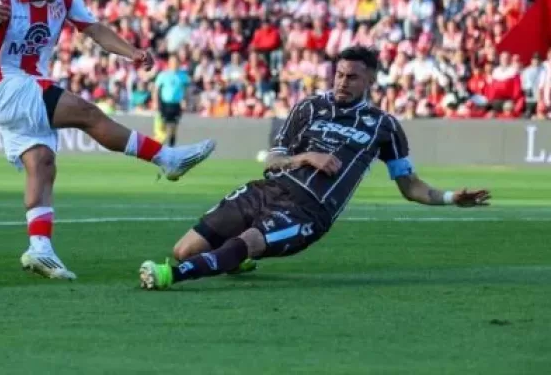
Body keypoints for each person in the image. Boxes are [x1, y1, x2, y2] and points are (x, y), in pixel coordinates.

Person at [0, 0, 215, 280]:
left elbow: (95, 30)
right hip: (5, 85)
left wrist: (131, 52)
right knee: (87, 114)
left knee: (42, 163)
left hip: (27, 86)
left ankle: (40, 249)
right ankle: (166, 158)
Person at [138, 46, 491, 290]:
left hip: (307, 211)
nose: (341, 82)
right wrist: (306, 158)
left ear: (370, 81)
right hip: (267, 191)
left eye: (351, 77)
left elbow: (410, 186)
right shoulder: (309, 107)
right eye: (338, 74)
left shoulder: (384, 125)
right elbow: (272, 161)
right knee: (184, 249)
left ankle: (172, 276)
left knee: (240, 243)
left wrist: (449, 197)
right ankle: (233, 259)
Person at [154, 55, 190, 146]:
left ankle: (171, 148)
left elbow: (186, 90)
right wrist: (156, 103)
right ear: (169, 63)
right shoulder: (163, 75)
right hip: (164, 104)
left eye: (176, 62)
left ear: (179, 63)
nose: (174, 64)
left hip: (176, 105)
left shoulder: (183, 76)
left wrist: (185, 100)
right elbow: (156, 90)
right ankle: (158, 149)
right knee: (162, 130)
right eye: (172, 62)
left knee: (174, 128)